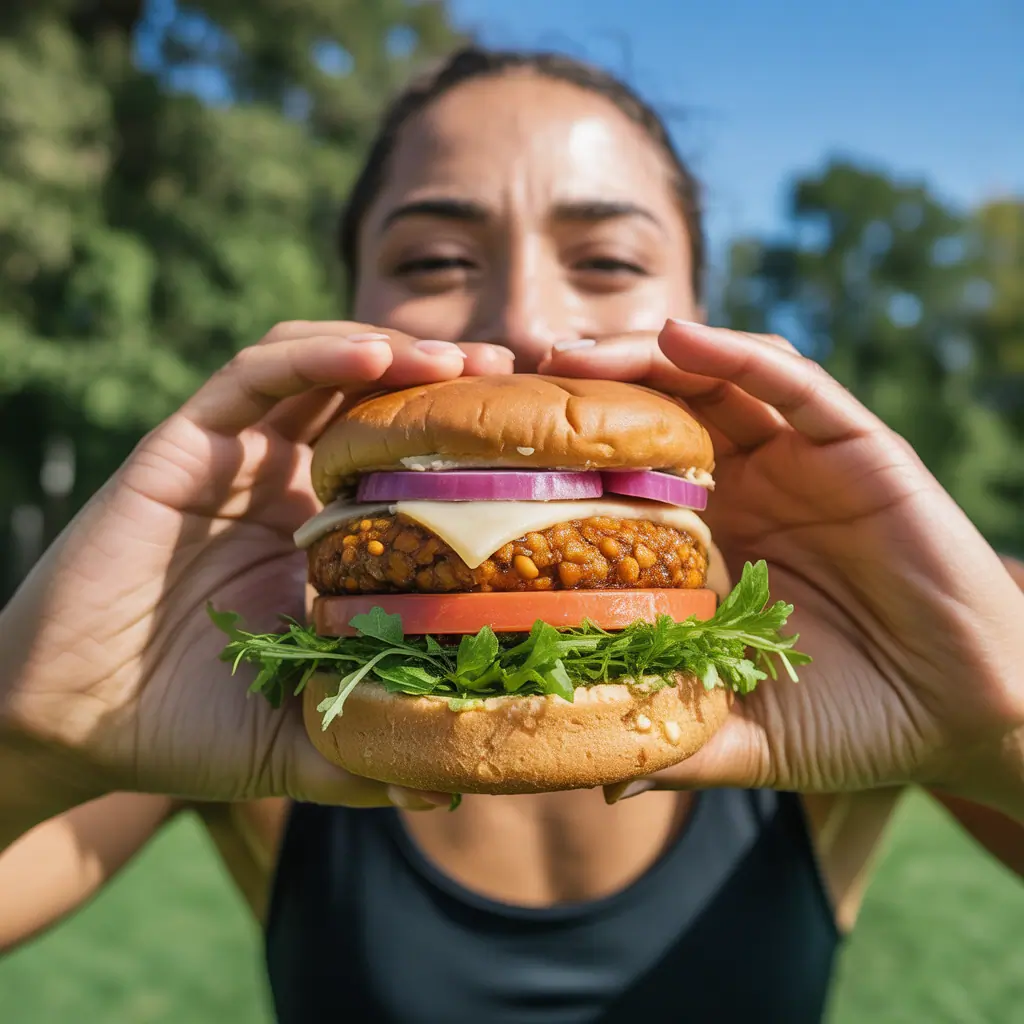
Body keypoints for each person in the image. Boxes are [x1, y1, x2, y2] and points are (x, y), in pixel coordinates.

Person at [2, 46, 1023, 1022]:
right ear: (351, 309)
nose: (523, 322)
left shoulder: (854, 632)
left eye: (610, 258)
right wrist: (29, 730)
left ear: (701, 314)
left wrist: (1003, 733)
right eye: (436, 259)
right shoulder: (248, 665)